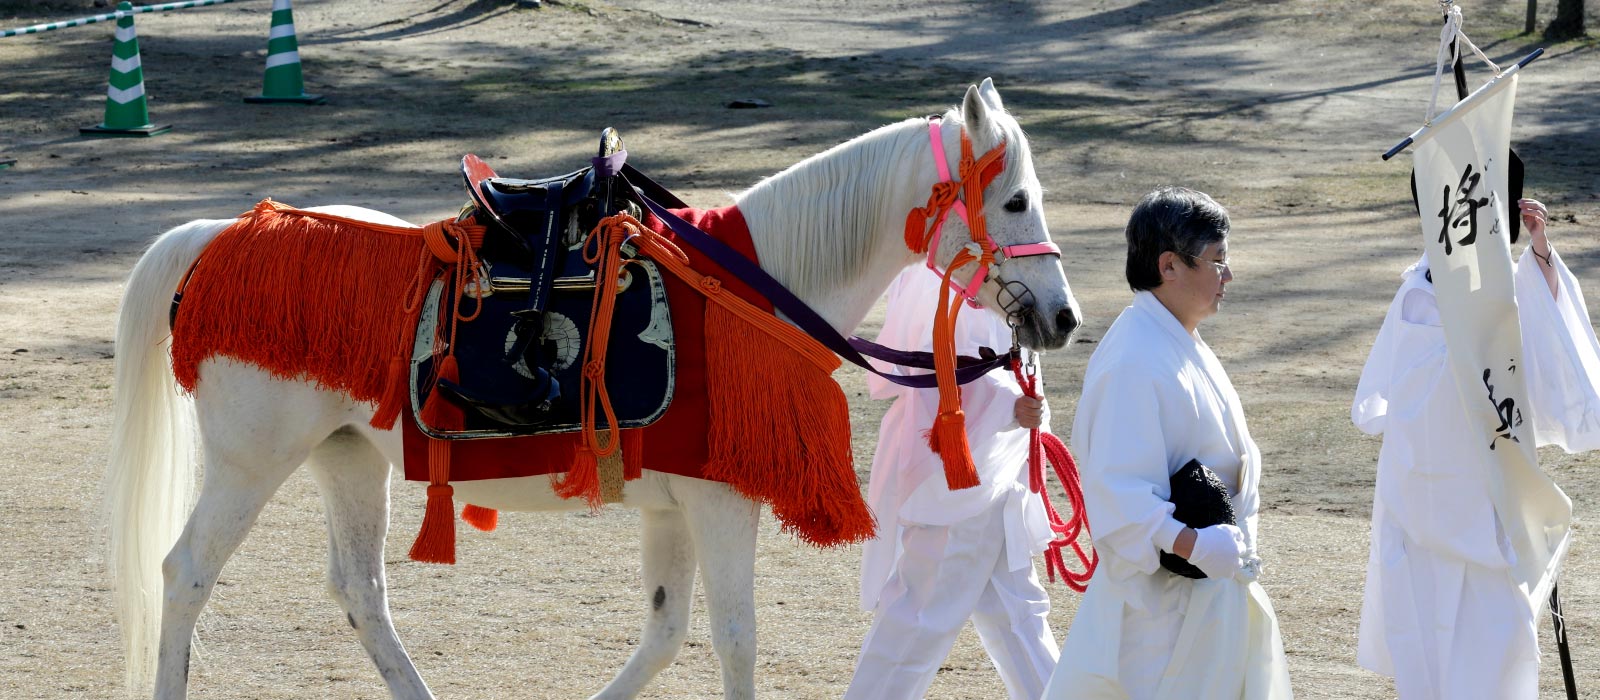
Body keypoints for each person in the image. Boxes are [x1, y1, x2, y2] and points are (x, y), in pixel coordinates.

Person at [1044, 186, 1292, 700]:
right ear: (1170, 266)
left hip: (1205, 593)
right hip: (1160, 611)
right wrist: (1194, 544)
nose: (1228, 275)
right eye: (1216, 261)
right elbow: (1119, 490)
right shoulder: (1134, 359)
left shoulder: (1175, 339)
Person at [1351, 199, 1600, 699]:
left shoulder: (1509, 290)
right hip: (1422, 510)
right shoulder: (1418, 291)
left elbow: (1561, 376)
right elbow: (1390, 402)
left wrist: (1540, 257)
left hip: (1492, 510)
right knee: (1428, 651)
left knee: (1500, 650)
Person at [844, 265, 1059, 700]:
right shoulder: (938, 275)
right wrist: (1008, 406)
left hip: (999, 463)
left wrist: (1023, 407)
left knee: (1019, 613)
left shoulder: (995, 265)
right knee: (923, 613)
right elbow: (930, 367)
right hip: (960, 468)